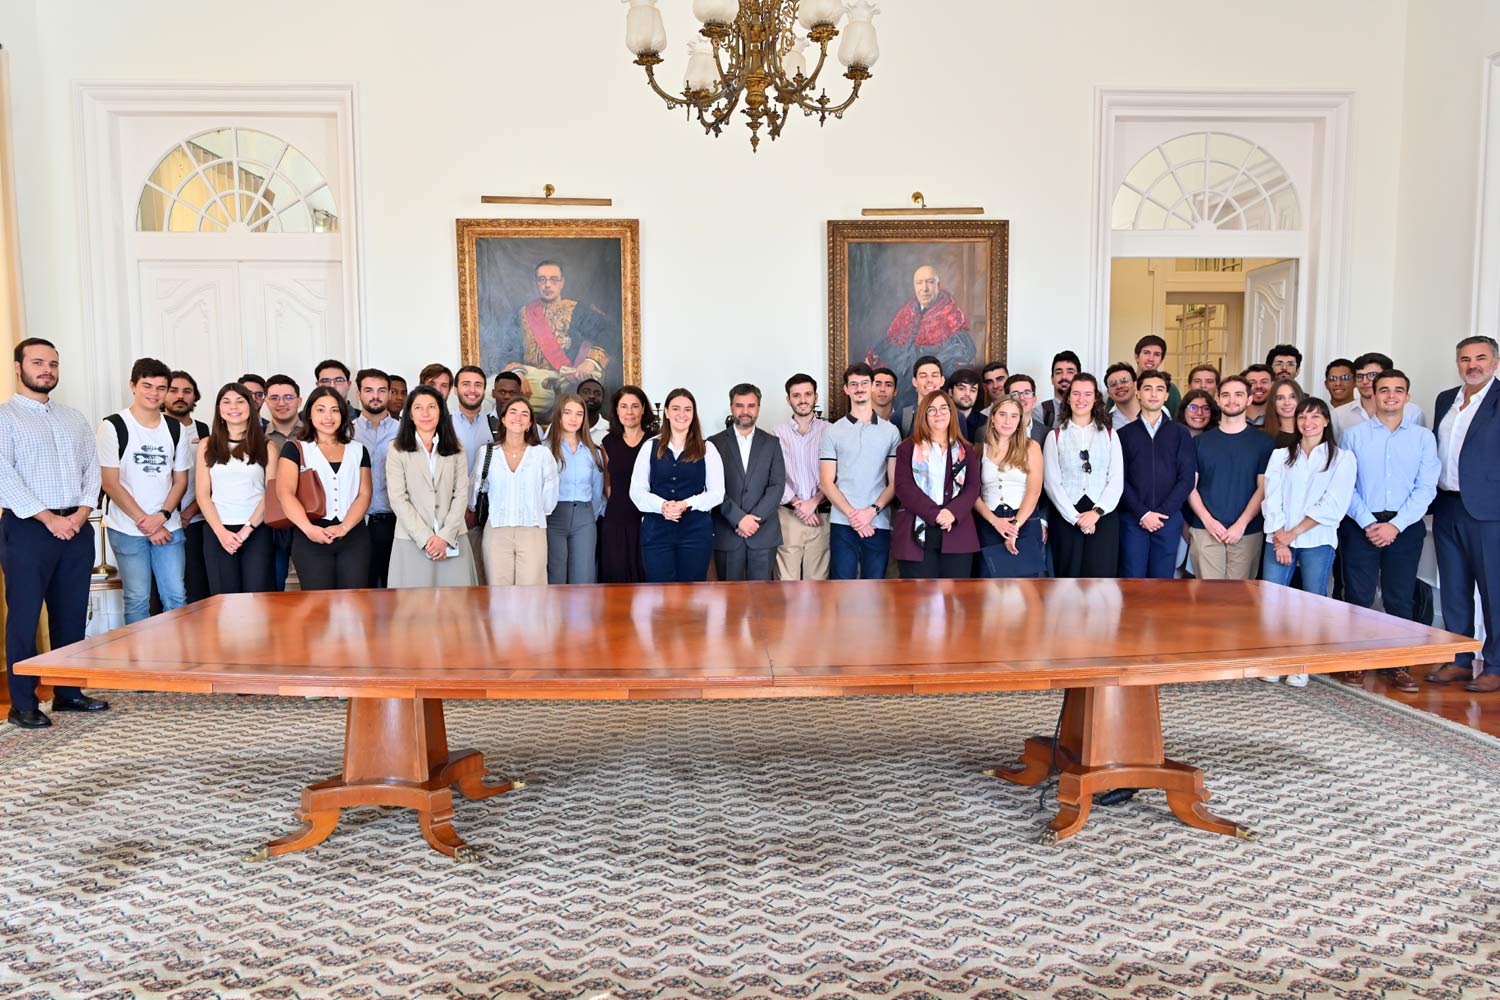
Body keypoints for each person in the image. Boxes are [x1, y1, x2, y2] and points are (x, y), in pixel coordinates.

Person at [0, 338, 107, 728]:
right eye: (38, 362)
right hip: (28, 529)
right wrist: (49, 518)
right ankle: (23, 704)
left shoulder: (74, 418)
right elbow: (3, 476)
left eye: (54, 364)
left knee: (71, 616)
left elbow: (91, 470)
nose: (47, 370)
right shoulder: (5, 417)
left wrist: (80, 515)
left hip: (76, 529)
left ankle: (67, 694)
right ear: (18, 367)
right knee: (25, 618)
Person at [1338, 369, 1439, 691]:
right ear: (1373, 394)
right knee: (1358, 597)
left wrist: (1394, 525)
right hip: (1360, 524)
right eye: (1384, 390)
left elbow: (1426, 488)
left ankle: (1397, 663)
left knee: (1400, 598)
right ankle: (1356, 661)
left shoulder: (1423, 438)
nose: (1391, 396)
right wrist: (1369, 522)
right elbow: (1345, 486)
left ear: (1407, 396)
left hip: (1404, 526)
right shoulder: (1354, 435)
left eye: (1398, 390)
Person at [1260, 398, 1357, 686]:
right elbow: (1271, 496)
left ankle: (1301, 662)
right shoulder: (1280, 455)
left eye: (1316, 416)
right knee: (1272, 601)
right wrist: (1280, 538)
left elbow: (1333, 504)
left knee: (1312, 601)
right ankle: (1274, 659)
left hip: (1317, 539)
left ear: (1326, 421)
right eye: (1303, 416)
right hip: (1278, 537)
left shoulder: (1342, 458)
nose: (1308, 422)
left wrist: (1293, 534)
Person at [1428, 336, 1500, 693]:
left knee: (1494, 592)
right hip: (1447, 505)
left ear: (1495, 362)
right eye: (1465, 358)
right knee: (1454, 589)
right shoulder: (1446, 400)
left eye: (1480, 358)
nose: (1472, 364)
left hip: (1489, 511)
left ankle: (1496, 666)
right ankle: (1458, 659)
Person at [98, 357, 192, 624]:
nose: (154, 393)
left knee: (176, 598)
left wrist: (160, 518)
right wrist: (147, 523)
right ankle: (139, 663)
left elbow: (180, 481)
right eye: (147, 386)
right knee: (137, 599)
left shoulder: (175, 428)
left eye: (161, 388)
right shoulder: (113, 426)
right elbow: (110, 483)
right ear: (133, 386)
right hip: (127, 528)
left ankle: (176, 662)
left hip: (168, 526)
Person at [276, 386, 373, 591]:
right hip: (310, 535)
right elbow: (285, 493)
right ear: (309, 414)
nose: (328, 416)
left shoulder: (358, 450)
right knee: (318, 606)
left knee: (354, 602)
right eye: (320, 410)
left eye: (334, 410)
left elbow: (364, 494)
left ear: (343, 414)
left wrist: (344, 527)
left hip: (353, 535)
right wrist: (309, 529)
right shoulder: (295, 448)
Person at [496, 259, 614, 417]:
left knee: (503, 405)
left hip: (564, 381)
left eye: (553, 279)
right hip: (528, 380)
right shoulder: (523, 313)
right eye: (542, 279)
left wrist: (590, 362)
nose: (547, 285)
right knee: (494, 394)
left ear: (562, 282)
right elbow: (507, 351)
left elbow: (608, 333)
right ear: (536, 282)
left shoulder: (579, 310)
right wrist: (517, 373)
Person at [385, 385, 476, 588]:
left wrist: (444, 537)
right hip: (412, 540)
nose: (425, 413)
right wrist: (426, 538)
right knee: (414, 610)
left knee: (456, 609)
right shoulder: (396, 448)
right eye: (418, 407)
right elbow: (398, 499)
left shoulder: (456, 447)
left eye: (431, 407)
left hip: (452, 538)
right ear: (409, 414)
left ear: (441, 412)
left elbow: (462, 494)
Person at [1186, 376, 1277, 580]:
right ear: (1218, 400)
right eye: (1225, 395)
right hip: (1207, 529)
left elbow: (1263, 489)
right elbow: (1190, 487)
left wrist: (1241, 524)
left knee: (1240, 600)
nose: (1231, 400)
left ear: (1249, 399)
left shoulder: (1264, 443)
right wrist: (1207, 520)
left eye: (1238, 394)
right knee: (1209, 599)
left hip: (1247, 530)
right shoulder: (1200, 442)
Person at [631, 388, 724, 583]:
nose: (681, 414)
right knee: (659, 591)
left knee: (692, 593)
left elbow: (717, 493)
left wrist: (686, 504)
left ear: (693, 413)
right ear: (666, 412)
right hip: (656, 532)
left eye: (687, 409)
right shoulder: (650, 447)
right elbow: (637, 491)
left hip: (696, 532)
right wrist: (662, 506)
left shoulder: (708, 449)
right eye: (675, 408)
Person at [820, 363, 900, 580]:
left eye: (864, 383)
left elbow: (894, 483)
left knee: (875, 589)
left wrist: (870, 512)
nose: (859, 388)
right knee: (842, 589)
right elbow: (826, 482)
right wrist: (853, 516)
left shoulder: (891, 432)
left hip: (878, 521)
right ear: (846, 389)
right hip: (842, 522)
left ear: (873, 386)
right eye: (853, 384)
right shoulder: (832, 432)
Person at [194, 382, 276, 595]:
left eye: (240, 401)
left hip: (257, 530)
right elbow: (203, 495)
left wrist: (246, 529)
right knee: (224, 599)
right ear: (219, 409)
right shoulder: (206, 445)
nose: (234, 407)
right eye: (227, 401)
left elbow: (271, 494)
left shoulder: (267, 446)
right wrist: (221, 532)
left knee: (257, 597)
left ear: (251, 407)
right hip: (218, 531)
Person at [891, 390, 981, 578]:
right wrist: (936, 514)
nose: (938, 414)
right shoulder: (907, 448)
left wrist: (951, 513)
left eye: (943, 408)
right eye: (931, 410)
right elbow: (903, 487)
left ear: (951, 413)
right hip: (915, 534)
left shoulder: (967, 450)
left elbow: (973, 489)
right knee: (918, 600)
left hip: (957, 531)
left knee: (955, 601)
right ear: (923, 415)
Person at [864, 265, 977, 413]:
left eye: (930, 282)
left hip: (937, 404)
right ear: (914, 286)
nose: (924, 288)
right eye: (919, 283)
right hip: (903, 402)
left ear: (938, 285)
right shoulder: (907, 313)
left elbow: (960, 355)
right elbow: (892, 345)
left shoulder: (951, 316)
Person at [1043, 374, 1124, 578]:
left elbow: (1116, 480)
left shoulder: (1110, 435)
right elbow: (1052, 483)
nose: (1081, 399)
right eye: (1076, 394)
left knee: (1101, 578)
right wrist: (1075, 518)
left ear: (1095, 398)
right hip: (1067, 517)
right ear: (1068, 398)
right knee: (1067, 578)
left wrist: (1096, 513)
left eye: (1087, 394)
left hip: (1103, 516)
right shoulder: (1055, 436)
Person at [1118, 371, 1196, 579]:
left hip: (1168, 520)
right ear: (1138, 393)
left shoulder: (1180, 433)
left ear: (1166, 396)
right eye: (1147, 388)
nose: (1153, 394)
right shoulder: (1123, 435)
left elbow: (1186, 479)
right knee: (1132, 580)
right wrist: (1143, 514)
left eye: (1159, 389)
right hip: (1133, 519)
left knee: (1162, 582)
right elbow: (1119, 480)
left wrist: (1162, 513)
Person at [471, 397, 556, 586]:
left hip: (532, 529)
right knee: (497, 590)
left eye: (524, 414)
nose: (518, 417)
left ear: (530, 423)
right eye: (513, 412)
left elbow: (549, 497)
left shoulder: (541, 454)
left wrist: (534, 513)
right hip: (497, 530)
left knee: (532, 594)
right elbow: (476, 490)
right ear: (502, 419)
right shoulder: (487, 452)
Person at [708, 383, 786, 581]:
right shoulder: (713, 443)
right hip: (728, 532)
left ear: (758, 408)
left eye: (751, 406)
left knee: (761, 601)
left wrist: (753, 519)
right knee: (730, 602)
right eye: (739, 405)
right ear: (731, 407)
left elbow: (777, 485)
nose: (745, 411)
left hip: (763, 532)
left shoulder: (772, 442)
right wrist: (739, 519)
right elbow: (712, 487)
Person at [973, 397, 1044, 578]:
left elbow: (1034, 491)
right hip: (989, 524)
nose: (1007, 421)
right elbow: (972, 493)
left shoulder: (1031, 447)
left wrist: (1015, 527)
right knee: (990, 590)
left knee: (1027, 590)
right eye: (1002, 415)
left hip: (1025, 524)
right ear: (993, 417)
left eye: (1014, 416)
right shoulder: (979, 449)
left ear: (1020, 420)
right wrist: (995, 521)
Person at [775, 374, 831, 581]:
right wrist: (799, 504)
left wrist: (814, 502)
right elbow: (774, 476)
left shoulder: (831, 431)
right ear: (788, 399)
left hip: (821, 516)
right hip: (788, 517)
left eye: (808, 394)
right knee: (786, 584)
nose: (803, 400)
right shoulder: (776, 434)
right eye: (796, 395)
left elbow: (837, 474)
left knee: (817, 584)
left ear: (816, 397)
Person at [545, 392, 605, 584]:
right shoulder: (545, 449)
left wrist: (589, 515)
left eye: (579, 414)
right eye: (568, 412)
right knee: (556, 572)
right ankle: (554, 615)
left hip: (585, 518)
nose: (573, 418)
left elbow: (597, 490)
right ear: (559, 414)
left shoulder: (593, 452)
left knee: (584, 576)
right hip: (553, 516)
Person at [599, 386, 655, 583]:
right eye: (623, 406)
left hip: (649, 518)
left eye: (634, 406)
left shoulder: (656, 440)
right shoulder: (608, 442)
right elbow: (608, 484)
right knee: (617, 577)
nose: (629, 412)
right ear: (616, 410)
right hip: (617, 519)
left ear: (643, 410)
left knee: (647, 574)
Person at [165, 369, 210, 603]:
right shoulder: (153, 428)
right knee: (162, 590)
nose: (180, 396)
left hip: (196, 522)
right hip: (159, 524)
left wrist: (187, 515)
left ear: (195, 397)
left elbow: (212, 479)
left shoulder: (204, 431)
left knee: (197, 588)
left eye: (187, 391)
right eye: (173, 390)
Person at [352, 368, 399, 588]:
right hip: (358, 523)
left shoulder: (405, 432)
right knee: (362, 589)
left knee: (396, 589)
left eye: (382, 390)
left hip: (396, 521)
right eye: (369, 390)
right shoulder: (346, 433)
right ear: (358, 393)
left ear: (390, 393)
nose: (375, 396)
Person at [263, 374, 302, 590]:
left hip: (310, 516)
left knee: (314, 587)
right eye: (275, 398)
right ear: (266, 402)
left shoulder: (314, 433)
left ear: (299, 400)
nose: (282, 403)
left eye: (288, 397)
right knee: (273, 586)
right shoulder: (257, 437)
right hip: (271, 520)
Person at [1335, 352, 1426, 440]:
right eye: (1359, 376)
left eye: (1372, 375)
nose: (1365, 381)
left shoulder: (1413, 412)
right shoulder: (1338, 415)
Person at [450, 365, 493, 471]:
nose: (472, 390)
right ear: (456, 390)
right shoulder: (443, 424)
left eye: (478, 385)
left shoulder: (496, 426)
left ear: (484, 390)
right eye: (466, 384)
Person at [896, 355, 945, 437]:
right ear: (915, 381)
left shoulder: (956, 417)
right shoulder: (900, 417)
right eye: (923, 376)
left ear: (942, 380)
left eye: (934, 375)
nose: (929, 380)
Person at [1134, 335, 1181, 416]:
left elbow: (1178, 420)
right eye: (1146, 353)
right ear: (1137, 357)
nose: (1151, 359)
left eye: (1156, 354)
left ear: (1161, 360)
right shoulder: (1124, 386)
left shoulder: (1170, 389)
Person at [1039, 351, 1081, 429]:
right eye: (1058, 372)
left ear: (1079, 378)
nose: (1064, 377)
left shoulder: (1090, 409)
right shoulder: (1040, 412)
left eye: (1070, 372)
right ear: (1052, 379)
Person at [1261, 378, 1305, 449]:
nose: (1287, 403)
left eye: (1293, 397)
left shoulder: (1312, 434)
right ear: (1273, 402)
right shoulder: (1263, 438)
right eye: (1280, 398)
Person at [948, 368, 987, 442]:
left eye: (973, 390)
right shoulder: (941, 419)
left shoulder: (986, 423)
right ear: (950, 392)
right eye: (962, 388)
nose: (967, 394)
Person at [1104, 362, 1140, 430]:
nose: (1119, 386)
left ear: (1135, 385)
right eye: (1113, 384)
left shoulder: (1158, 412)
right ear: (1109, 393)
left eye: (1124, 381)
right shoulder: (1106, 423)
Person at [577, 377, 610, 444]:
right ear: (577, 396)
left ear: (602, 399)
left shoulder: (611, 430)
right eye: (586, 392)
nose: (592, 396)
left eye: (597, 394)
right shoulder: (562, 427)